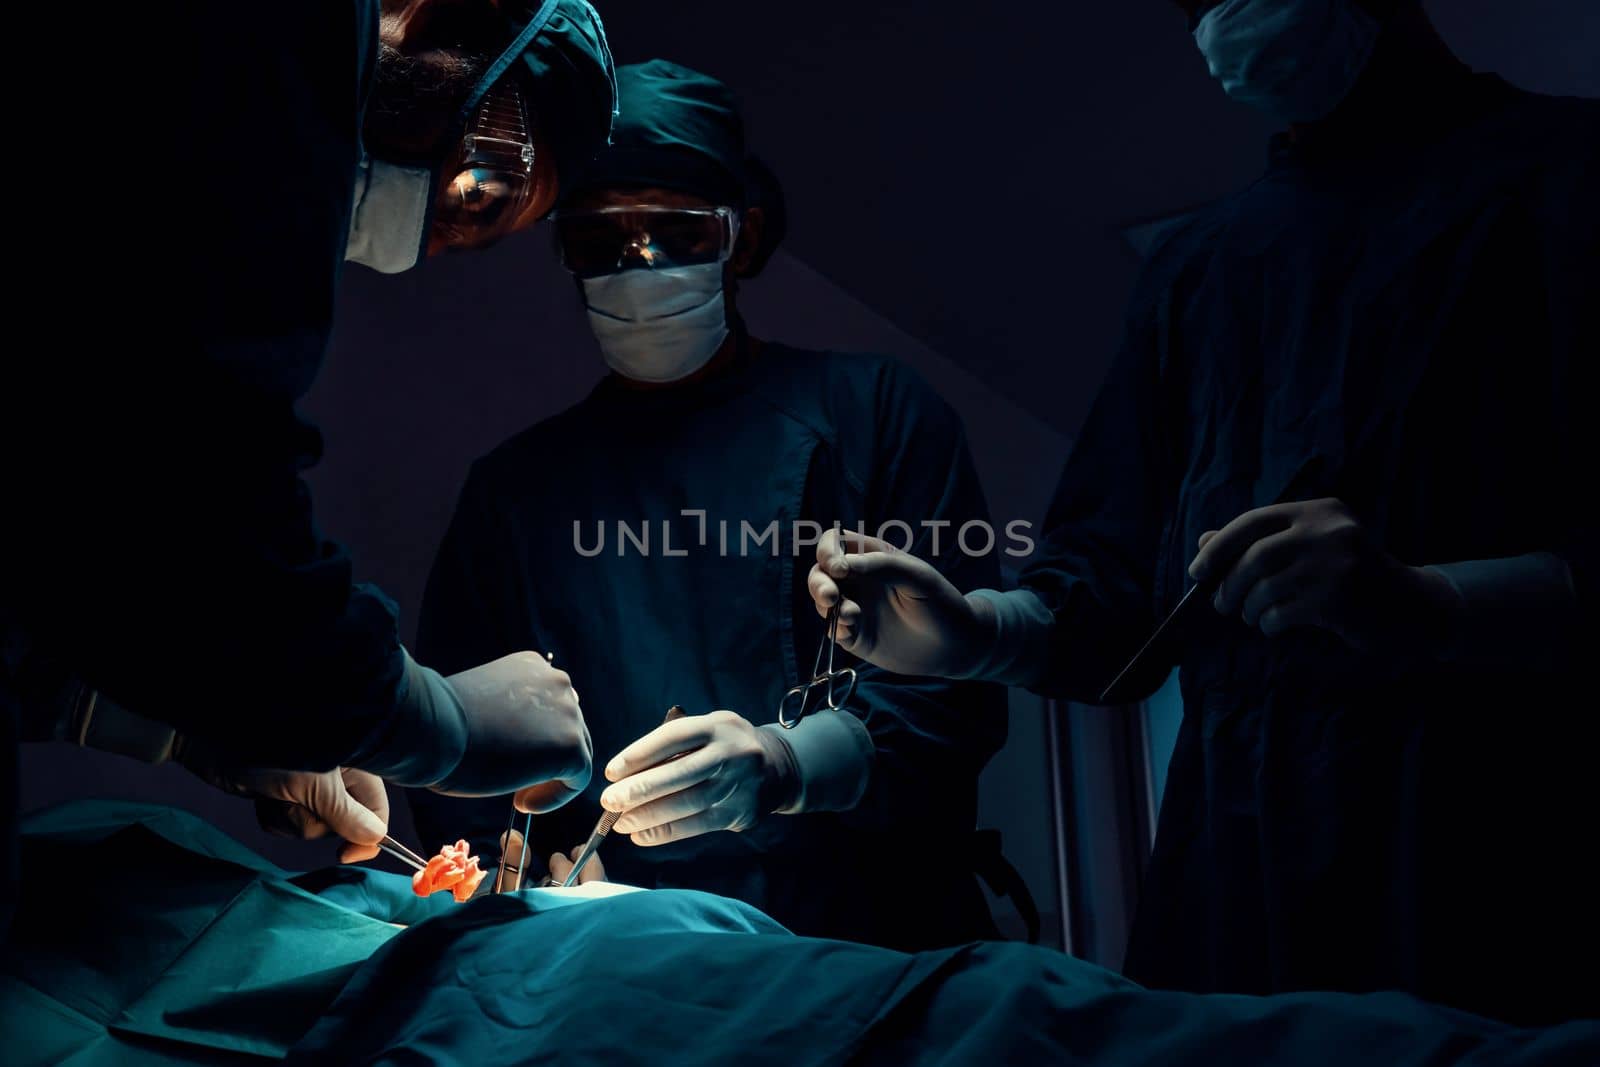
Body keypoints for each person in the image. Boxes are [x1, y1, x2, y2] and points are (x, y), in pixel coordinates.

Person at [806, 0, 1597, 1025]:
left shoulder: (1568, 177)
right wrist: (975, 631)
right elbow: (1119, 597)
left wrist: (1435, 602)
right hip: (1236, 856)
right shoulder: (1205, 267)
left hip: (1501, 840)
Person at [0, 0, 619, 933]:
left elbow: (67, 503)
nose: (426, 241)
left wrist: (159, 722)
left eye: (478, 232)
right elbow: (197, 495)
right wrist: (428, 718)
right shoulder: (264, 35)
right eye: (479, 185)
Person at [409, 59, 1008, 951]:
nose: (636, 263)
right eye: (600, 240)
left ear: (747, 238)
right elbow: (451, 741)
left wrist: (792, 761)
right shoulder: (515, 491)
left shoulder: (873, 415)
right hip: (623, 944)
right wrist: (537, 870)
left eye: (673, 231)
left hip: (867, 935)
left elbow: (956, 689)